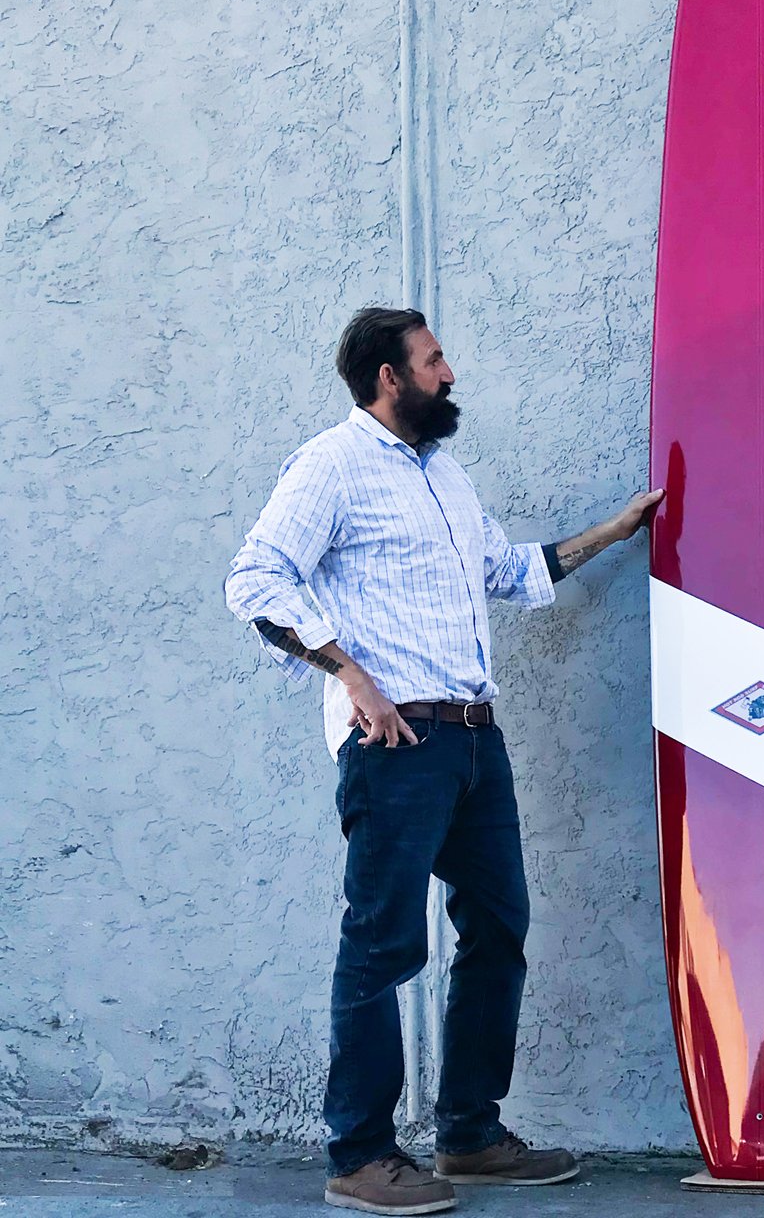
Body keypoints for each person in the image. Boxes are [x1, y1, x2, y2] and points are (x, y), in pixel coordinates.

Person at [225, 306, 662, 1216]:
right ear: (390, 376)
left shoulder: (445, 476)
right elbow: (256, 579)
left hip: (473, 742)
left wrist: (616, 531)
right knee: (383, 946)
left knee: (499, 928)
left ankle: (469, 1134)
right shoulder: (331, 466)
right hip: (396, 748)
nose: (450, 371)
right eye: (433, 360)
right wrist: (352, 676)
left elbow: (510, 570)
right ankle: (360, 1153)